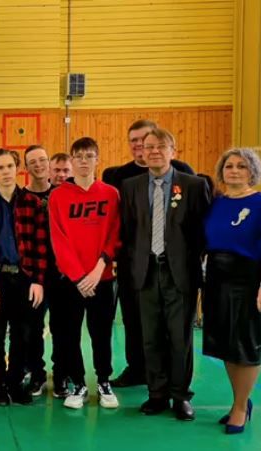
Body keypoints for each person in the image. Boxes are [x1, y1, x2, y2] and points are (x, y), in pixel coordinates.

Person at [120, 128, 210, 421]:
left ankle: (180, 396)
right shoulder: (131, 186)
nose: (154, 151)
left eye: (161, 146)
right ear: (141, 152)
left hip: (180, 273)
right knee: (151, 337)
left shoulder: (193, 185)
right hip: (145, 272)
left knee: (180, 338)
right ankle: (156, 393)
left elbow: (203, 231)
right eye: (148, 147)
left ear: (173, 151)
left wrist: (190, 261)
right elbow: (129, 230)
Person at [202, 148, 261, 434]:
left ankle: (240, 407)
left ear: (252, 172)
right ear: (221, 171)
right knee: (226, 344)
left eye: (242, 166)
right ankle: (239, 400)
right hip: (216, 278)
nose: (235, 170)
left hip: (248, 280)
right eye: (229, 166)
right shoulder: (217, 203)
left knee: (246, 345)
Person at [108, 119, 195, 388]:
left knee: (175, 328)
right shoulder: (119, 177)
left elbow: (196, 223)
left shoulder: (184, 174)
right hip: (134, 265)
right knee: (135, 322)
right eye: (134, 141)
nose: (141, 145)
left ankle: (174, 382)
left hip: (173, 266)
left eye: (145, 139)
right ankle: (138, 370)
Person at [48, 137, 121, 410]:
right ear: (72, 160)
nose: (83, 161)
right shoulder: (58, 196)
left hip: (102, 278)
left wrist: (99, 267)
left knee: (101, 334)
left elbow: (115, 234)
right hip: (72, 282)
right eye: (78, 156)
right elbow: (59, 240)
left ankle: (103, 381)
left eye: (89, 156)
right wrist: (78, 277)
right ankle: (78, 383)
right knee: (69, 335)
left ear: (97, 160)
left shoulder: (110, 194)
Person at [0, 148, 48, 406]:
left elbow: (40, 245)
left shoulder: (32, 203)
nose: (5, 172)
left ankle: (15, 382)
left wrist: (38, 280)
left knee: (22, 334)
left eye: (9, 167)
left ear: (17, 169)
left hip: (24, 278)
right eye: (0, 168)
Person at [22, 145, 57, 397]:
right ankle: (36, 373)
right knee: (32, 327)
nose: (38, 165)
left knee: (62, 326)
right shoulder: (21, 198)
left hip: (61, 272)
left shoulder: (61, 193)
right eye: (32, 161)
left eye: (42, 159)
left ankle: (63, 373)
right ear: (26, 167)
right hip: (33, 273)